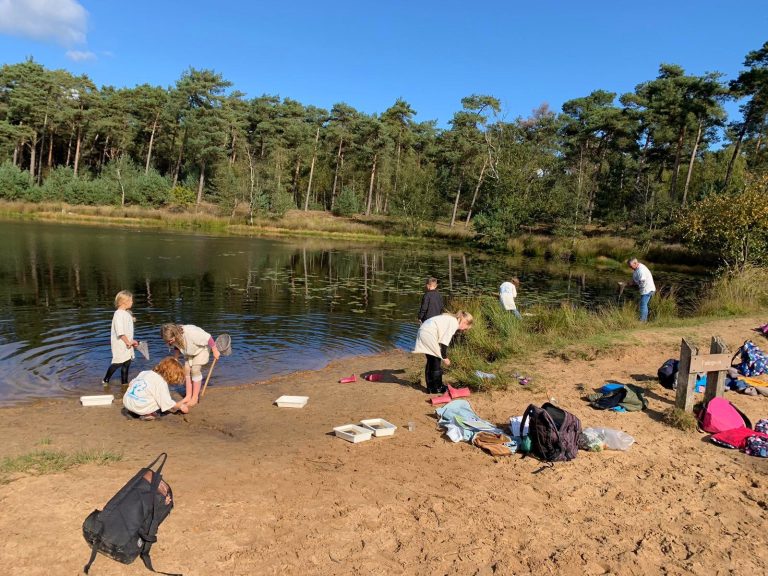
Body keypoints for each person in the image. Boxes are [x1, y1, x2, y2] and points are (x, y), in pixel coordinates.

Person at [413, 311, 473, 394]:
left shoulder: (451, 319)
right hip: (428, 333)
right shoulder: (454, 323)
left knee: (431, 360)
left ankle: (431, 387)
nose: (463, 330)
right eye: (466, 328)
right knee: (436, 361)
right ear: (465, 322)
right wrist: (445, 357)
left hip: (424, 330)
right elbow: (444, 342)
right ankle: (437, 387)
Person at [160, 323, 220, 407]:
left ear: (175, 334)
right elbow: (176, 346)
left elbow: (208, 337)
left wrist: (215, 350)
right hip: (190, 351)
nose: (169, 342)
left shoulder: (191, 333)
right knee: (186, 370)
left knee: (195, 370)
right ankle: (188, 396)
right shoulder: (173, 338)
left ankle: (194, 398)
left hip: (201, 349)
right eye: (167, 341)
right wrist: (175, 359)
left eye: (170, 340)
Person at [123, 357, 189, 420]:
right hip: (140, 406)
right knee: (159, 401)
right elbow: (167, 403)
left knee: (146, 393)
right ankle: (147, 414)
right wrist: (181, 406)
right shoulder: (161, 382)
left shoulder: (145, 372)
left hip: (127, 401)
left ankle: (131, 411)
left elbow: (131, 383)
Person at [102, 290, 139, 388]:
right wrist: (127, 342)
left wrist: (131, 341)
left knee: (127, 363)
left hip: (127, 343)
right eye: (131, 301)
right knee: (117, 362)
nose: (132, 302)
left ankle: (124, 383)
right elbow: (120, 332)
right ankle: (105, 379)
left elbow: (127, 330)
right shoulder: (118, 314)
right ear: (124, 302)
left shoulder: (125, 313)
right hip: (121, 343)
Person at [620, 257, 656, 322]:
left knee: (643, 304)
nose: (630, 267)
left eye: (631, 266)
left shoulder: (641, 270)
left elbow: (642, 281)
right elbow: (635, 281)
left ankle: (642, 321)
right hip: (645, 289)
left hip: (648, 289)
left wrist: (633, 284)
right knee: (644, 304)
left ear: (635, 263)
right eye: (629, 266)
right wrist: (626, 284)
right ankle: (645, 320)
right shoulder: (636, 269)